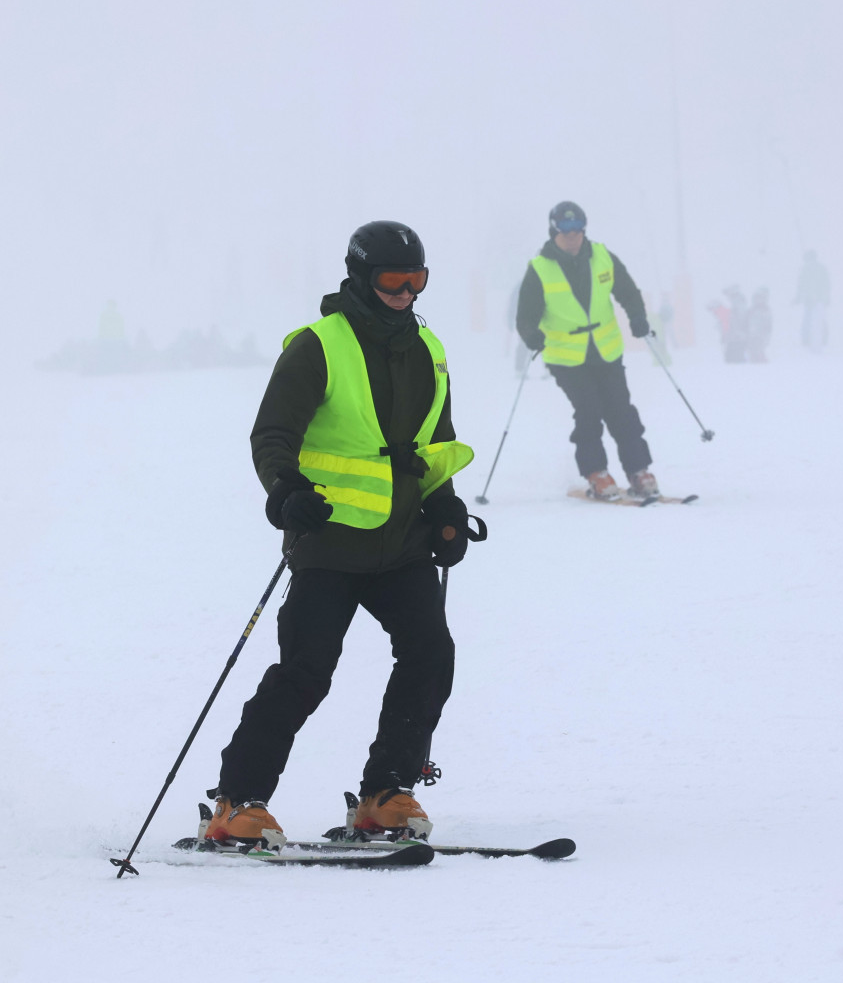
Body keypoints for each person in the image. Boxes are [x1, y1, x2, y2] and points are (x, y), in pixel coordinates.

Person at [206, 221, 477, 850]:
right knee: (306, 672)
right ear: (361, 276)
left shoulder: (427, 350)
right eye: (393, 280)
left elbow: (435, 443)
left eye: (418, 280)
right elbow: (273, 433)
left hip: (403, 543)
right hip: (328, 543)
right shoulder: (318, 346)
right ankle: (236, 802)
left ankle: (386, 793)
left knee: (431, 655)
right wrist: (285, 490)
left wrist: (446, 509)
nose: (407, 292)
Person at [515, 201, 658, 501]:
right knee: (589, 410)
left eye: (577, 229)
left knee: (621, 410)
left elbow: (629, 293)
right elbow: (525, 316)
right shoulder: (540, 269)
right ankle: (597, 473)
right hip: (566, 357)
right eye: (565, 230)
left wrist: (638, 317)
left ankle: (639, 470)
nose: (572, 236)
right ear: (554, 230)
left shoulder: (603, 257)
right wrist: (532, 336)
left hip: (606, 350)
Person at [795, 250, 831, 350]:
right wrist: (827, 298)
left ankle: (806, 340)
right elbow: (827, 284)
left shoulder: (805, 269)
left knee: (808, 319)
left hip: (810, 299)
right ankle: (823, 339)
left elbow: (801, 285)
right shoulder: (821, 268)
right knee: (820, 319)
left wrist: (798, 297)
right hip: (819, 299)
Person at [747, 287, 773, 363]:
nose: (758, 300)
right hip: (751, 335)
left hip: (760, 336)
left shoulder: (765, 310)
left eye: (760, 298)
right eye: (756, 298)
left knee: (758, 352)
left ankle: (762, 366)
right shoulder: (752, 310)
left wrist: (766, 337)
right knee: (752, 353)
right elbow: (747, 322)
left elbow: (769, 326)